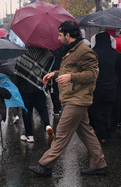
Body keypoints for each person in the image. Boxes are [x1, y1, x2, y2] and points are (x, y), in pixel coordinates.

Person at [29, 21, 107, 176]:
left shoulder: (85, 51)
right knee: (87, 132)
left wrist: (71, 77)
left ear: (68, 35)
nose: (58, 38)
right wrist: (56, 74)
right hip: (73, 97)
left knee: (62, 134)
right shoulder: (72, 49)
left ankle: (45, 166)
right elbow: (70, 69)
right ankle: (99, 165)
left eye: (60, 35)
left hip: (77, 99)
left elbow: (92, 74)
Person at [15, 46, 54, 143]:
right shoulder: (45, 53)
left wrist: (18, 88)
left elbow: (18, 73)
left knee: (27, 111)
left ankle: (29, 135)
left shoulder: (22, 55)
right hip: (40, 86)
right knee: (42, 107)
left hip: (25, 88)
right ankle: (47, 125)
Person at [88, 32, 120, 143]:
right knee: (109, 110)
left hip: (96, 87)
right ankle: (109, 131)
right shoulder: (115, 54)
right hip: (111, 88)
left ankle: (100, 134)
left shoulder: (92, 53)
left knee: (96, 110)